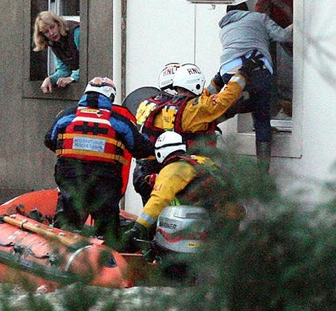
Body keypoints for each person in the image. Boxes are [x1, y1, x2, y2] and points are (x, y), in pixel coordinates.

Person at [44, 77, 154, 249]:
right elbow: (141, 148)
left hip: (70, 176)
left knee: (67, 222)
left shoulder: (68, 114)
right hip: (105, 179)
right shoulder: (119, 120)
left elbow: (49, 140)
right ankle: (108, 260)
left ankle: (59, 257)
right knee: (108, 229)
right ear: (110, 96)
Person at [124, 131, 242, 250]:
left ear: (159, 152)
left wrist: (139, 227)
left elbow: (159, 199)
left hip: (206, 222)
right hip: (230, 216)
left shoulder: (172, 169)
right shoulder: (201, 161)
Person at [218, 2, 293, 171]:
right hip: (257, 71)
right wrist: (295, 25)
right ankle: (262, 172)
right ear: (246, 10)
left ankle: (212, 120)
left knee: (237, 102)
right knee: (261, 116)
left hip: (228, 72)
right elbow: (283, 37)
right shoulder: (259, 18)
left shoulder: (224, 28)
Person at [141, 62, 257, 149]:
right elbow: (224, 98)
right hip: (196, 162)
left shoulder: (169, 105)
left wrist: (217, 81)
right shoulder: (195, 108)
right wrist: (243, 73)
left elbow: (201, 98)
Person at [133, 63, 180, 206]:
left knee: (150, 216)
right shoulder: (172, 108)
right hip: (157, 169)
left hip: (141, 169)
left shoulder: (149, 102)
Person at [33, 11, 80, 93]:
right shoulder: (54, 44)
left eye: (52, 27)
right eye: (46, 32)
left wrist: (72, 78)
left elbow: (90, 62)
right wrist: (50, 79)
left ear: (58, 24)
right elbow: (64, 69)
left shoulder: (76, 32)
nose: (51, 33)